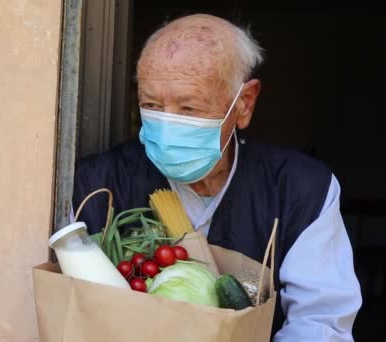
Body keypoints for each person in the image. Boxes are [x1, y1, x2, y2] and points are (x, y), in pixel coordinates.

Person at [72, 14, 362, 341]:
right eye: (151, 104)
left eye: (189, 108)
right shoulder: (96, 186)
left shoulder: (301, 189)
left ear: (244, 104)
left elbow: (320, 322)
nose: (167, 126)